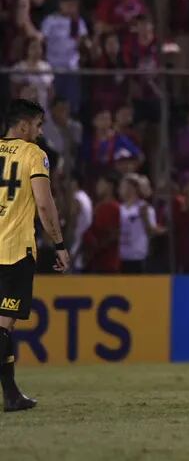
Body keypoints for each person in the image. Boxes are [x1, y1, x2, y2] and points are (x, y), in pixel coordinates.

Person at [0, 99, 70, 412]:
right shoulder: (33, 155)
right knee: (3, 327)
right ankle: (12, 396)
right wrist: (59, 244)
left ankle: (12, 394)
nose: (40, 133)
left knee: (3, 328)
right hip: (14, 252)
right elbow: (44, 204)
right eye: (39, 125)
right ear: (24, 125)